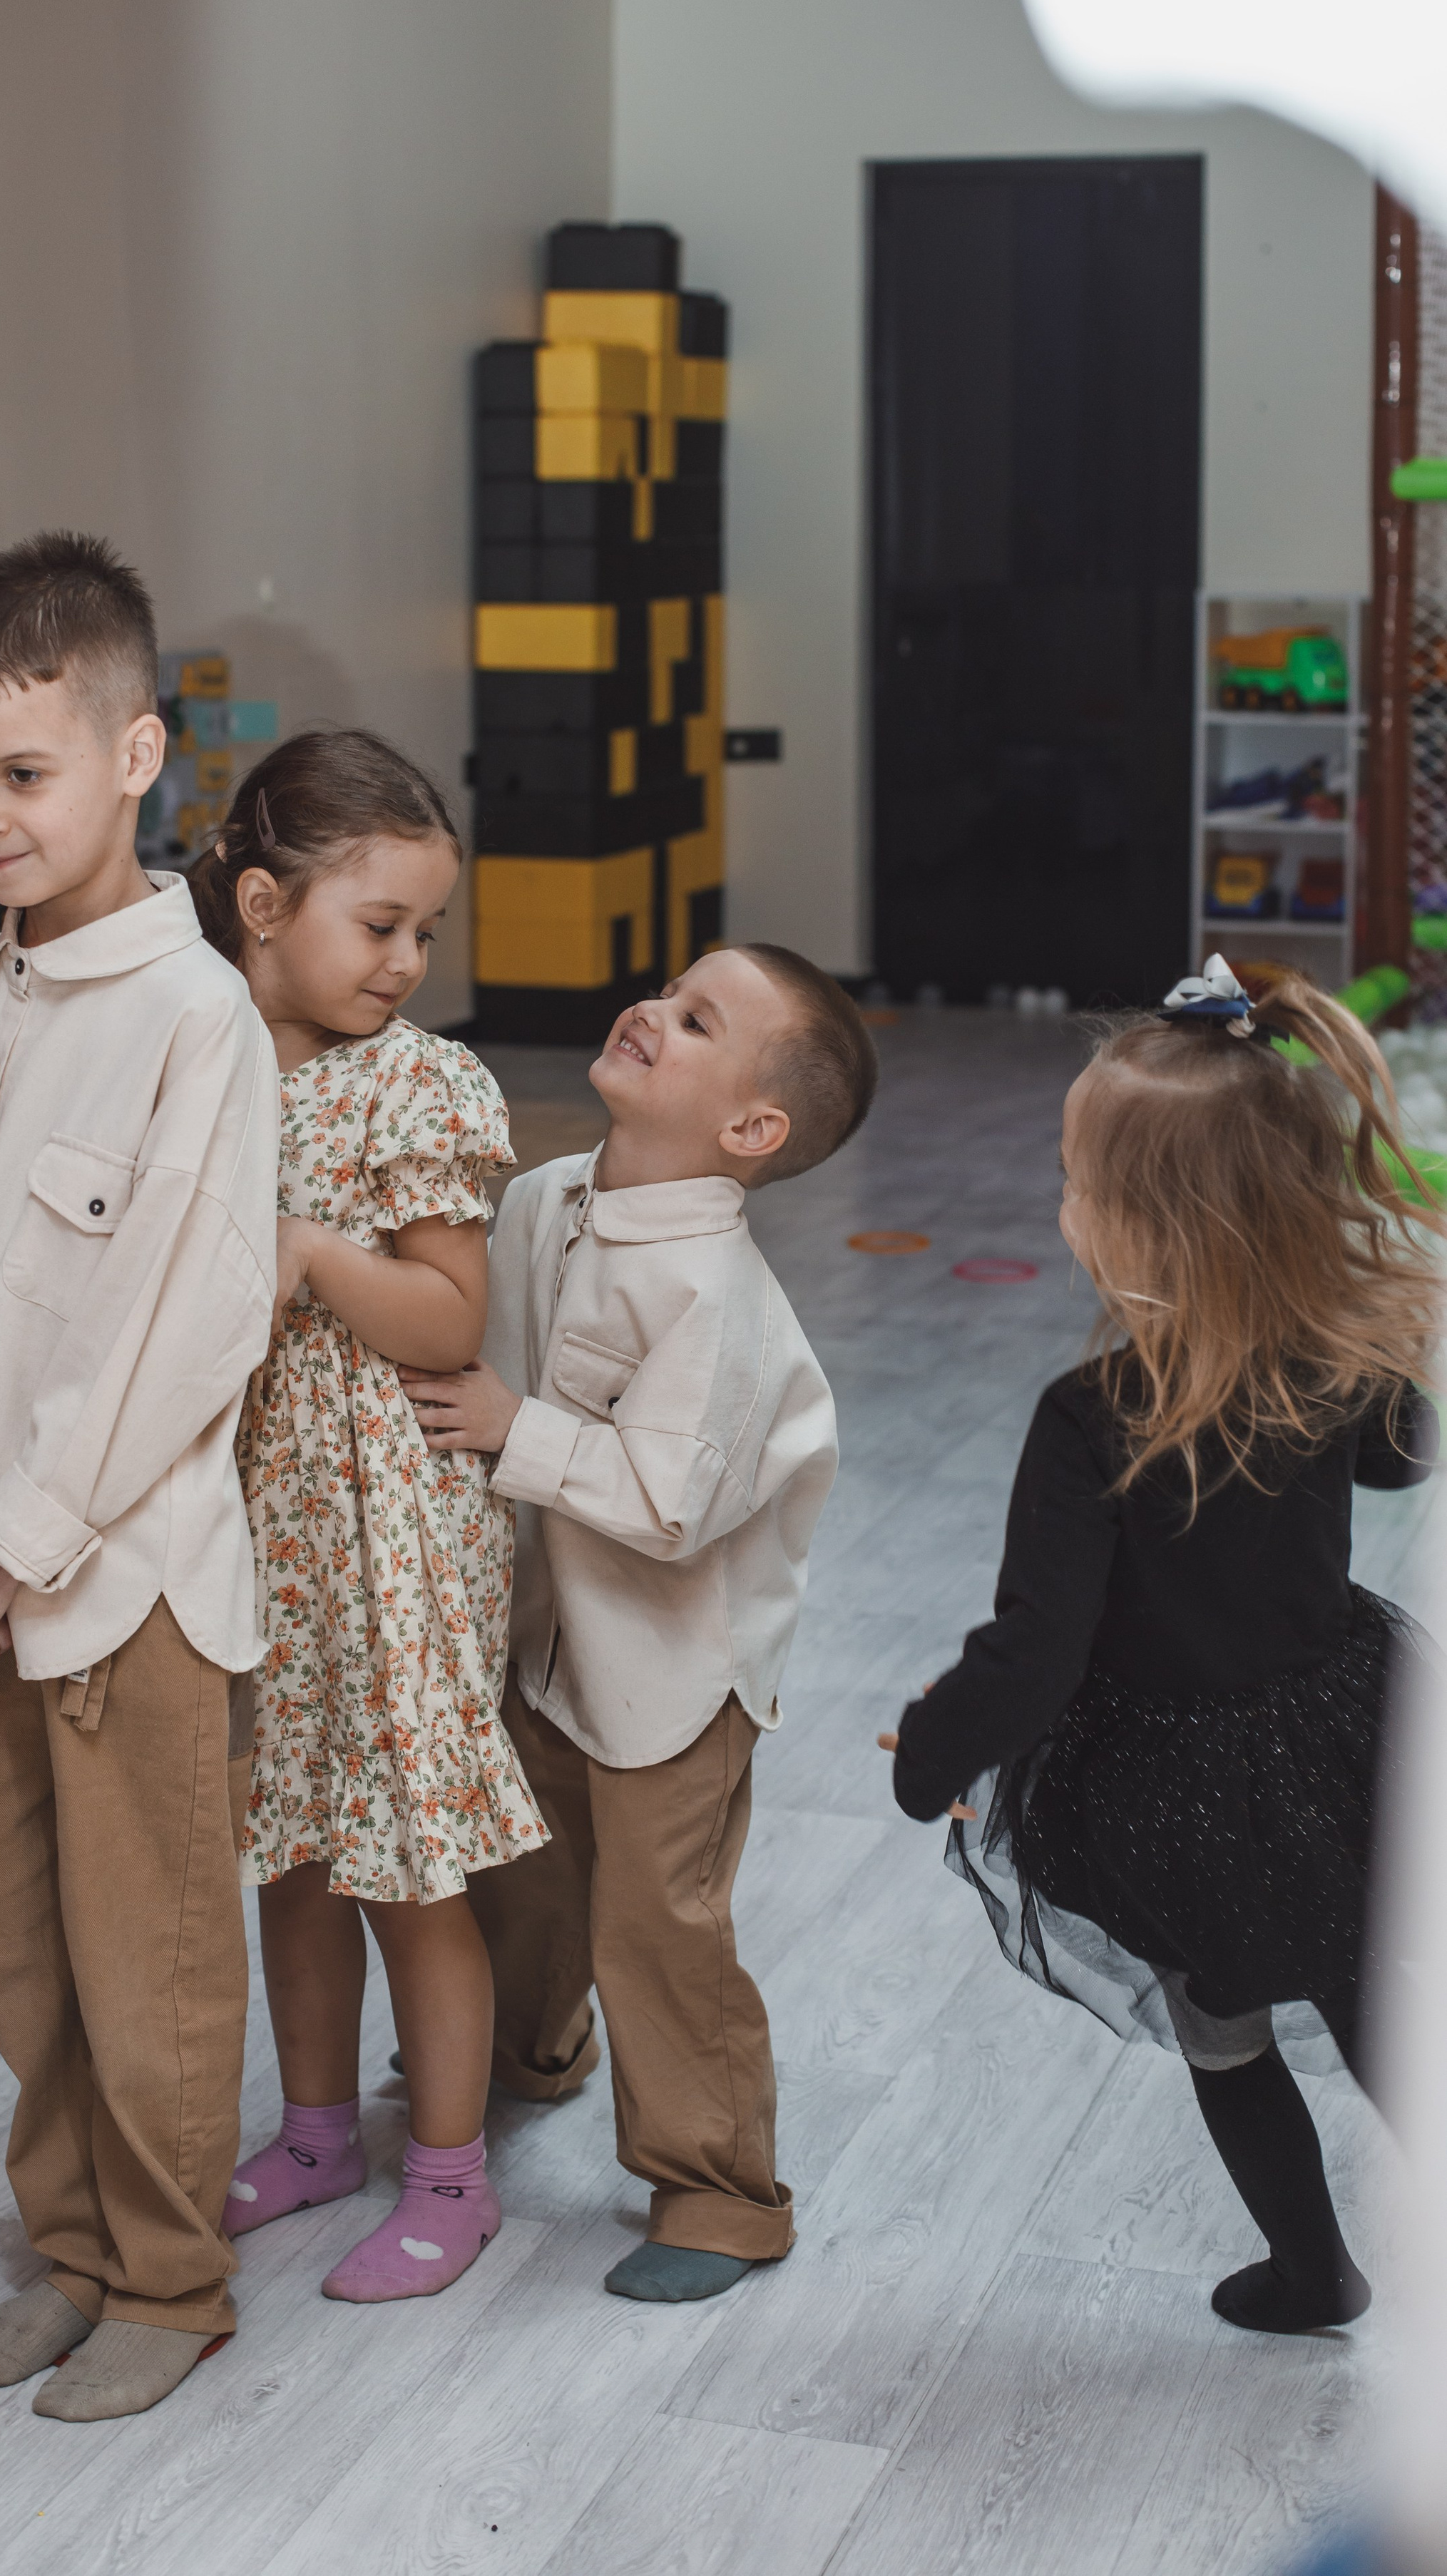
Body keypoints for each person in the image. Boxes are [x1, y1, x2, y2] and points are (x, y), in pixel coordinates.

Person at [0, 532, 280, 2421]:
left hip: (127, 1587)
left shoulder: (197, 1025)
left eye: (21, 771)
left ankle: (173, 2284)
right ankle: (77, 2249)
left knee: (149, 1947)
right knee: (16, 1937)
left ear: (133, 756)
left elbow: (180, 1333)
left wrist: (13, 1540)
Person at [884, 955, 1443, 2336]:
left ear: (1138, 1227)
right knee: (1367, 1993)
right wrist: (1369, 1319)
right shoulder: (1323, 1360)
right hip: (1334, 1735)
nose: (1063, 1205)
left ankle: (1312, 2274)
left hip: (1178, 1789)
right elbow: (1401, 1462)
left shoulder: (1089, 1419)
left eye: (1077, 1181)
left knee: (1222, 2024)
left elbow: (1036, 1654)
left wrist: (928, 1757)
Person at [404, 945, 876, 2302]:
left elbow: (671, 1503)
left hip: (678, 1671)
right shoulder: (550, 1199)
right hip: (549, 1638)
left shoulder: (718, 1299)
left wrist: (513, 1428)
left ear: (751, 1130)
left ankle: (720, 2193)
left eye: (694, 1019)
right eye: (665, 990)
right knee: (526, 1868)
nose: (649, 1012)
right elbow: (475, 1334)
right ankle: (528, 2055)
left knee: (658, 1927)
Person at [190, 729, 546, 2304]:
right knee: (289, 1851)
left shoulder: (420, 1084)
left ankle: (451, 2179)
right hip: (261, 1526)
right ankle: (317, 2129)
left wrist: (309, 1251)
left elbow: (444, 1321)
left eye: (425, 934)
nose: (405, 963)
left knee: (409, 1864)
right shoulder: (193, 1064)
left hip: (396, 1540)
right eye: (376, 926)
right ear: (261, 904)